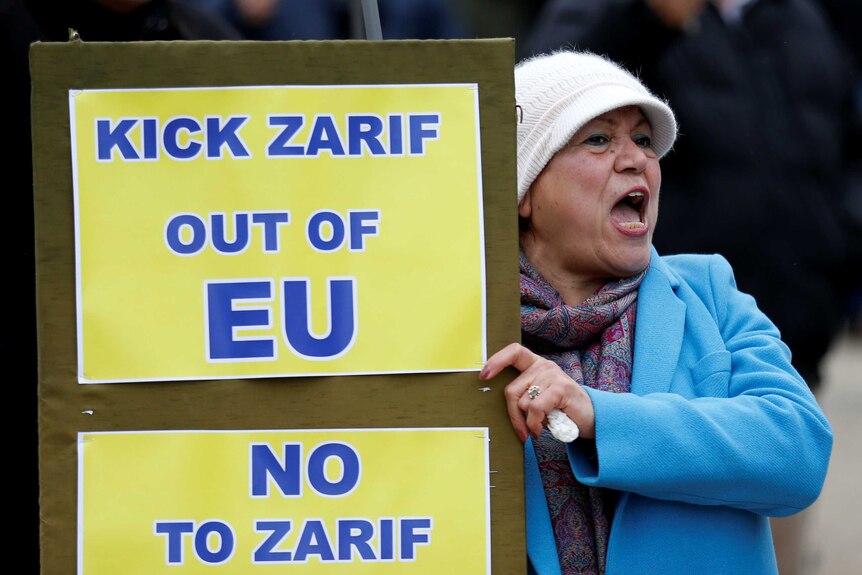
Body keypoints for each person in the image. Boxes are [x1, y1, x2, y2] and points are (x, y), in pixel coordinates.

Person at [478, 49, 833, 575]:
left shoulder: (707, 289)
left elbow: (799, 453)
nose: (635, 159)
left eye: (643, 140)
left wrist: (600, 416)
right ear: (524, 191)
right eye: (598, 139)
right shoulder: (469, 329)